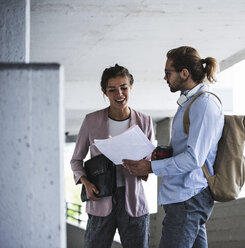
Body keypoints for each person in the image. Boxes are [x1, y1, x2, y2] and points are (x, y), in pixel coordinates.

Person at [124, 46, 224, 248]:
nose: (165, 77)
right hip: (185, 196)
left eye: (168, 72)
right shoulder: (189, 103)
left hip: (190, 196)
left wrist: (151, 168)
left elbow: (194, 158)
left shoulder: (203, 104)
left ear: (184, 73)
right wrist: (159, 153)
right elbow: (184, 149)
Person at [70, 64, 152, 248]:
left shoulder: (144, 121)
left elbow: (148, 161)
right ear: (104, 92)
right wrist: (85, 182)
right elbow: (76, 159)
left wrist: (142, 165)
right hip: (100, 196)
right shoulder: (91, 121)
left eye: (124, 88)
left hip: (133, 201)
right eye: (112, 90)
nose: (119, 94)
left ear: (131, 87)